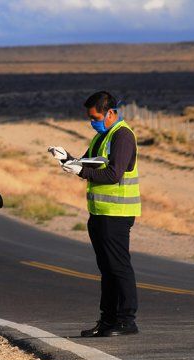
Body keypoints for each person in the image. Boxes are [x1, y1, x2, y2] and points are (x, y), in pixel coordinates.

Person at [49, 91, 141, 337]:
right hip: (99, 212)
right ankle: (108, 320)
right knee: (107, 269)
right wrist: (67, 159)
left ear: (110, 113)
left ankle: (126, 320)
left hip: (117, 213)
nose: (92, 122)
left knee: (118, 267)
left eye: (95, 117)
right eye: (90, 118)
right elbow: (88, 164)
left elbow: (113, 174)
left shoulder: (122, 136)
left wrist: (79, 171)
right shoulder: (101, 137)